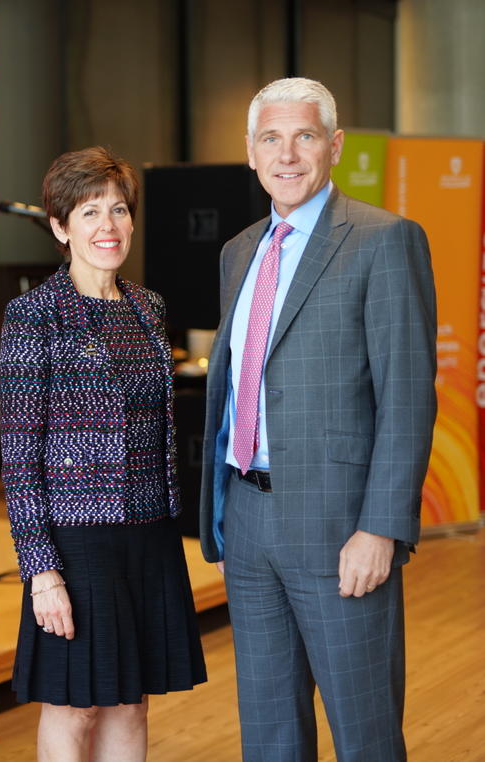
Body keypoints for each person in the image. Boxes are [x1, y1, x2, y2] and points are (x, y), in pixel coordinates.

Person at [198, 77, 437, 761]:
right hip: (247, 524)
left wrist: (381, 528)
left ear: (334, 145)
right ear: (250, 152)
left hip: (340, 531)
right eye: (271, 138)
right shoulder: (239, 251)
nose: (288, 153)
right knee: (269, 735)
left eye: (304, 135)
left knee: (363, 734)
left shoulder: (383, 241)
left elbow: (408, 396)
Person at [0, 146, 206, 761]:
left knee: (130, 699)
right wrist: (41, 571)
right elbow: (19, 452)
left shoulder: (148, 307)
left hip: (148, 534)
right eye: (89, 212)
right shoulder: (35, 315)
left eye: (118, 210)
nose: (107, 227)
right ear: (61, 227)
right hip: (76, 540)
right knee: (74, 702)